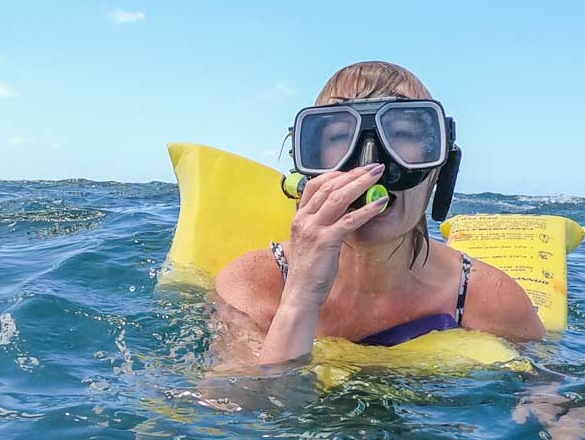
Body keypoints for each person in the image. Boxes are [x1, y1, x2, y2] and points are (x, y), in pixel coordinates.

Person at [215, 61, 544, 365]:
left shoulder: (489, 300)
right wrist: (301, 296)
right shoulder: (253, 287)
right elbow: (246, 413)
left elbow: (557, 401)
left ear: (438, 170)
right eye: (340, 137)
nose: (371, 163)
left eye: (401, 134)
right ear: (310, 167)